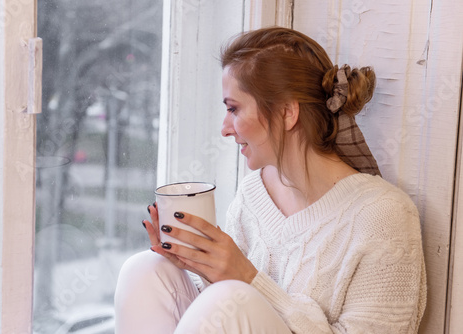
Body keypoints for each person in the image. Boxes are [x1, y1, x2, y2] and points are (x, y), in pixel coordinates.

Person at [114, 26, 427, 333]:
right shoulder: (254, 194)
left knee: (228, 299)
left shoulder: (384, 214)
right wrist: (197, 262)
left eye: (233, 109)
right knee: (145, 271)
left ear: (287, 112)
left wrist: (248, 278)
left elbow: (238, 303)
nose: (224, 128)